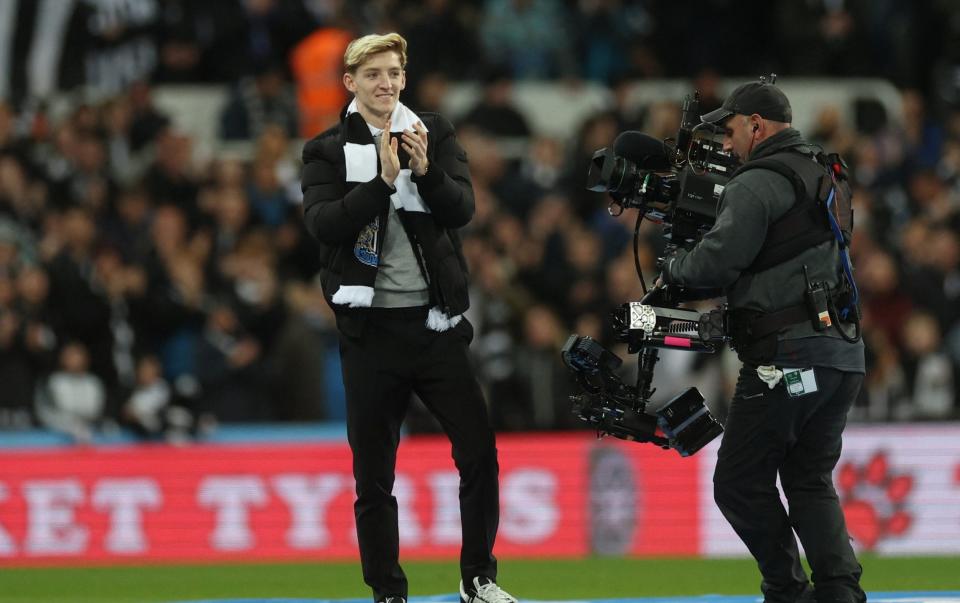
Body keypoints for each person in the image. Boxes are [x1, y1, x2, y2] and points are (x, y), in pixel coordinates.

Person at [299, 33, 517, 603]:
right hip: (370, 333)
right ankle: (388, 593)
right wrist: (381, 183)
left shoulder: (433, 132)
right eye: (373, 73)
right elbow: (324, 226)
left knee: (479, 456)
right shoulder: (325, 150)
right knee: (374, 477)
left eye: (394, 72)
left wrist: (425, 173)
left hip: (433, 325)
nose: (387, 83)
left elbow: (462, 209)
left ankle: (479, 582)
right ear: (350, 83)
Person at [660, 78, 867, 603]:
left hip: (787, 357)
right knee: (808, 477)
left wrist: (676, 265)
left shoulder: (756, 182)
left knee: (739, 482)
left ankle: (786, 591)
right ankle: (841, 593)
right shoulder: (826, 172)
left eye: (730, 132)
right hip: (841, 356)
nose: (726, 146)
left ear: (756, 126)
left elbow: (716, 262)